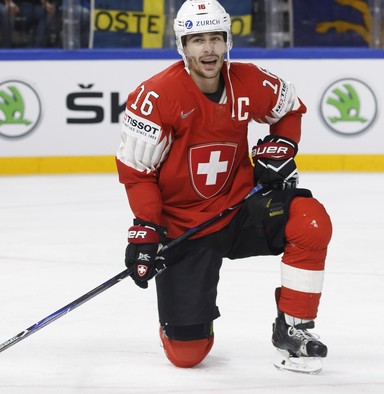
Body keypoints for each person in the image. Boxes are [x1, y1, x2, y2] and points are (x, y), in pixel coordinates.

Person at [116, 0, 333, 373]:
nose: (209, 49)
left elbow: (289, 108)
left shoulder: (248, 80)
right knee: (188, 355)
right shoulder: (156, 96)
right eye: (197, 40)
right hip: (184, 226)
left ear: (228, 41)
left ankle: (294, 328)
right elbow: (138, 171)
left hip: (239, 209)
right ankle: (182, 324)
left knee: (310, 219)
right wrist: (147, 227)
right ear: (182, 46)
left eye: (216, 38)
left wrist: (283, 144)